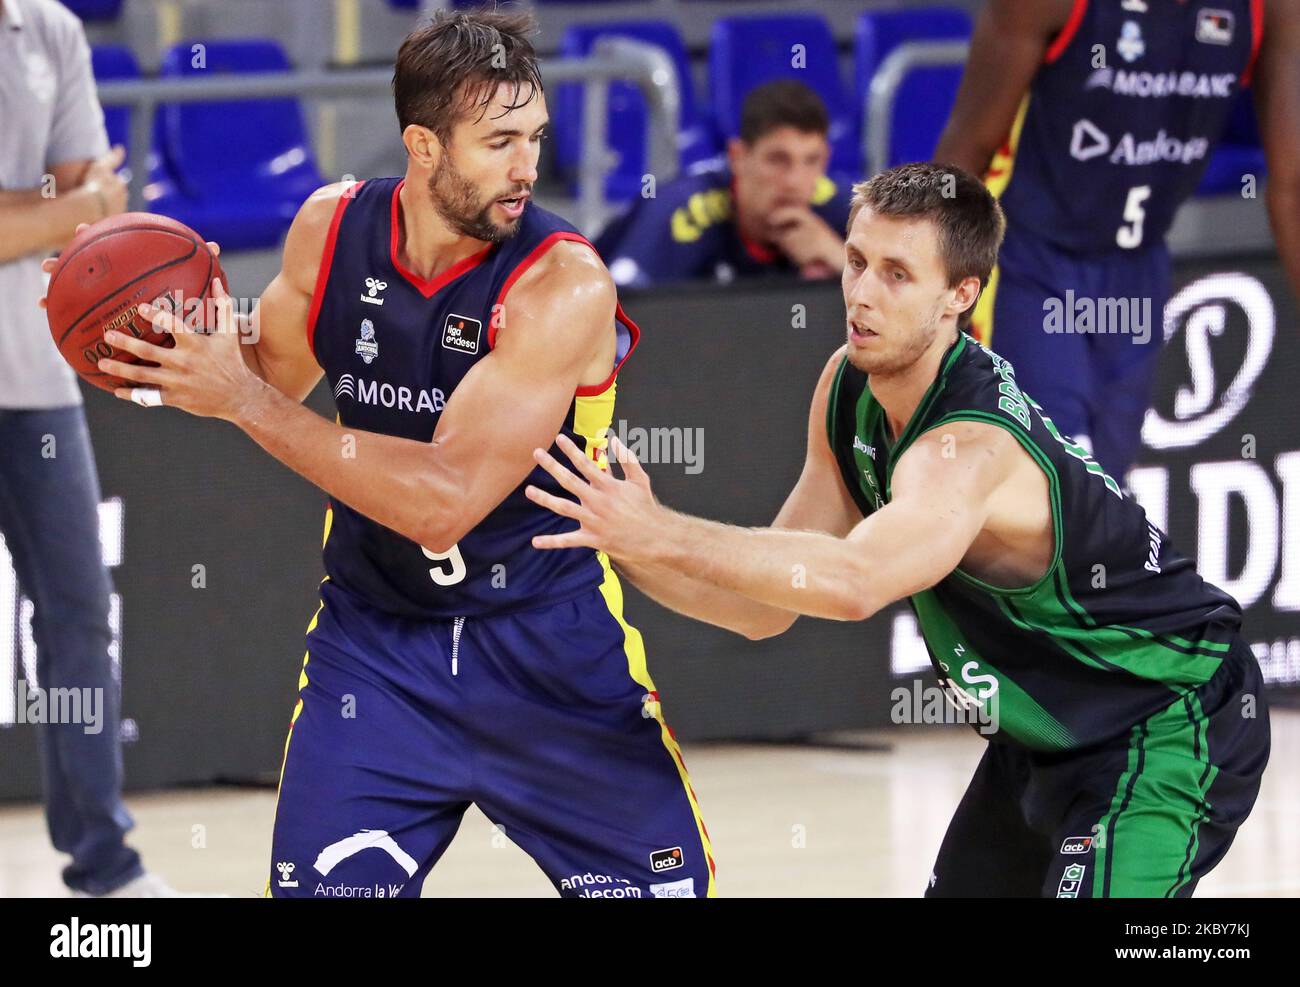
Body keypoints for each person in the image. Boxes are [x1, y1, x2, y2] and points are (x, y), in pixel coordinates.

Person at [74, 8, 714, 899]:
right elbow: (268, 375)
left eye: (535, 137)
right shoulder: (330, 228)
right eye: (499, 142)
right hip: (377, 653)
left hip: (545, 647)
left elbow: (442, 501)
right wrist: (168, 339)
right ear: (422, 145)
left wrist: (244, 396)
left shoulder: (564, 285)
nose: (528, 166)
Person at [526, 163, 1270, 898]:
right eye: (855, 261)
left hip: (1169, 720)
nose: (861, 294)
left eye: (896, 274)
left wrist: (662, 530)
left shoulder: (969, 449)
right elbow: (765, 605)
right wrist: (616, 537)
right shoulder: (848, 384)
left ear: (960, 296)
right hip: (1044, 737)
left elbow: (853, 583)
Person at [933, 0, 1300, 480]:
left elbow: (1292, 186)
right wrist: (919, 299)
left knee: (1104, 493)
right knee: (1057, 486)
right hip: (1032, 261)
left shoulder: (1269, 9)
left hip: (1138, 273)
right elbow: (964, 156)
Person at [0, 0, 178, 897]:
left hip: (36, 383)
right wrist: (63, 200)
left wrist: (71, 204)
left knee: (78, 620)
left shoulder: (52, 30)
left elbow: (99, 212)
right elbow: (73, 198)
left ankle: (106, 866)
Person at [595, 79, 851, 288]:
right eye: (777, 160)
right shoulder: (684, 214)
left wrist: (844, 264)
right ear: (738, 157)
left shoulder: (838, 210)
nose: (795, 181)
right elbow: (619, 313)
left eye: (811, 160)